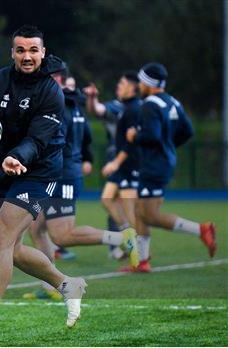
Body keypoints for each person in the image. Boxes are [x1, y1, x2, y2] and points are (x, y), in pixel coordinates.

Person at [0, 25, 87, 339]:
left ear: (43, 53)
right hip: (7, 168)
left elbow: (37, 140)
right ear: (12, 52)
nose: (27, 56)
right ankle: (68, 285)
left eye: (33, 50)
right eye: (20, 50)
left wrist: (18, 156)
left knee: (3, 233)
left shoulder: (51, 92)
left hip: (41, 170)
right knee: (12, 249)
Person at [22, 64, 138, 301]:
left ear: (55, 79)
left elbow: (51, 140)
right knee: (35, 226)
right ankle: (51, 285)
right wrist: (85, 158)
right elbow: (85, 135)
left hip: (61, 174)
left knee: (62, 236)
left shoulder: (60, 104)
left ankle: (122, 238)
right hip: (59, 173)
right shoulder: (72, 102)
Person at [123, 62, 216, 272]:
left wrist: (133, 135)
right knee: (139, 211)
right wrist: (169, 145)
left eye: (141, 81)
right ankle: (142, 261)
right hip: (161, 162)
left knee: (149, 215)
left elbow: (151, 135)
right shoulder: (172, 101)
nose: (138, 85)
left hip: (154, 165)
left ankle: (202, 229)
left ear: (148, 83)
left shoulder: (149, 104)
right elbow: (188, 131)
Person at [83, 79, 127, 259]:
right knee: (112, 201)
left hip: (136, 160)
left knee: (121, 202)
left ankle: (127, 243)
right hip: (117, 160)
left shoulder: (142, 107)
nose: (118, 86)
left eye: (122, 83)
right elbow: (96, 109)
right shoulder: (115, 107)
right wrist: (92, 98)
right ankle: (120, 245)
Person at [100, 72, 142, 234]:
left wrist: (115, 163)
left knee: (131, 212)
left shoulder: (134, 109)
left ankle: (142, 255)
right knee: (107, 199)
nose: (118, 86)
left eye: (122, 83)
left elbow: (130, 143)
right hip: (122, 165)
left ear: (132, 88)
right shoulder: (125, 107)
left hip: (130, 165)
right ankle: (128, 235)